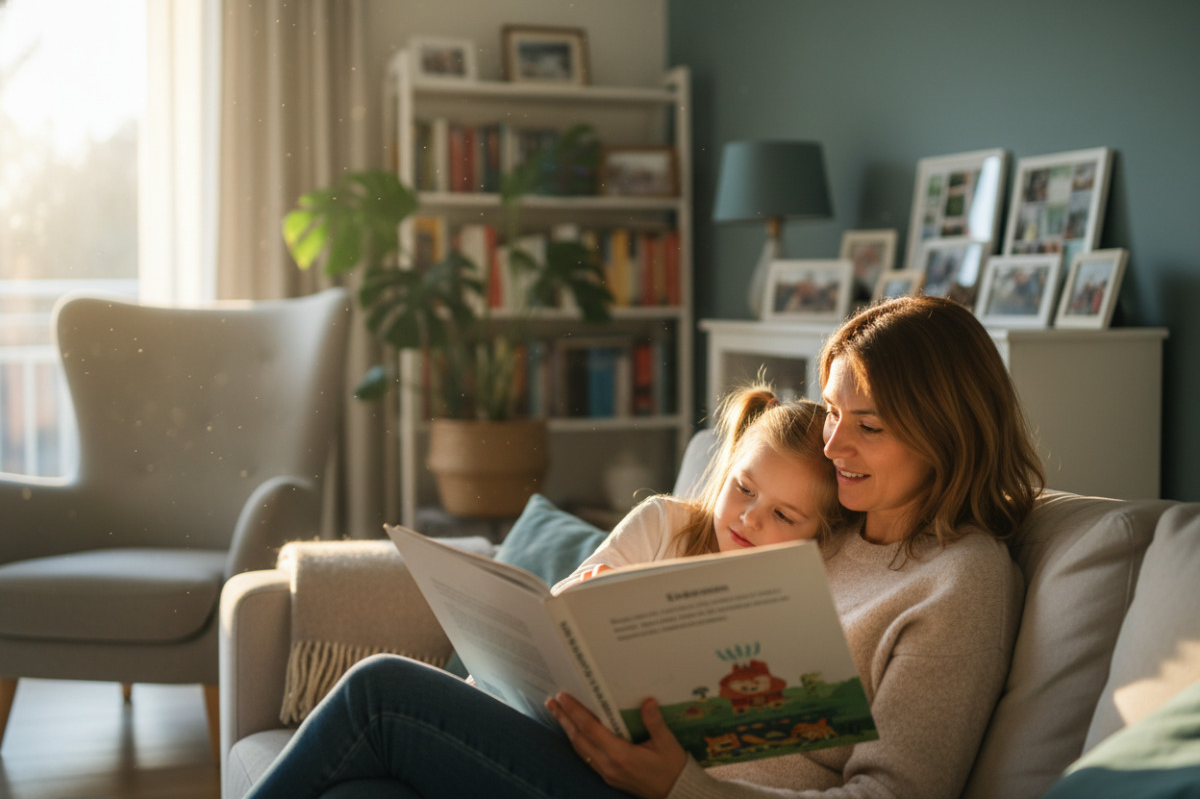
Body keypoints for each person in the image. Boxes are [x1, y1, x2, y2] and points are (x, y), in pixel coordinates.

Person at [244, 295, 1045, 799]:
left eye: (866, 427)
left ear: (948, 433)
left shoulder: (960, 581)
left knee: (381, 691)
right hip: (609, 761)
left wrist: (681, 784)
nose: (835, 447)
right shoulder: (832, 526)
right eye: (833, 413)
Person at [555, 383, 844, 593]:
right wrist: (587, 590)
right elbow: (559, 607)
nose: (750, 519)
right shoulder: (662, 523)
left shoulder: (802, 589)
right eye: (745, 489)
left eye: (782, 515)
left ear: (818, 535)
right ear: (729, 466)